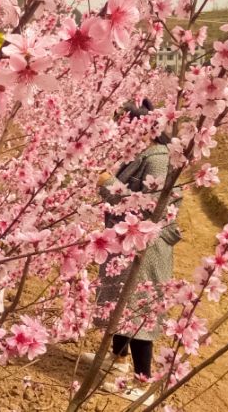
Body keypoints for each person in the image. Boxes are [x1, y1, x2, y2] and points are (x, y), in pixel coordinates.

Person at [80, 98, 180, 402]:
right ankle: (119, 361)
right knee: (118, 304)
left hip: (144, 248)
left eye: (126, 124)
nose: (122, 130)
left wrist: (108, 183)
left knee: (138, 312)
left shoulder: (160, 158)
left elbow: (151, 209)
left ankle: (143, 380)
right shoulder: (143, 152)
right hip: (124, 242)